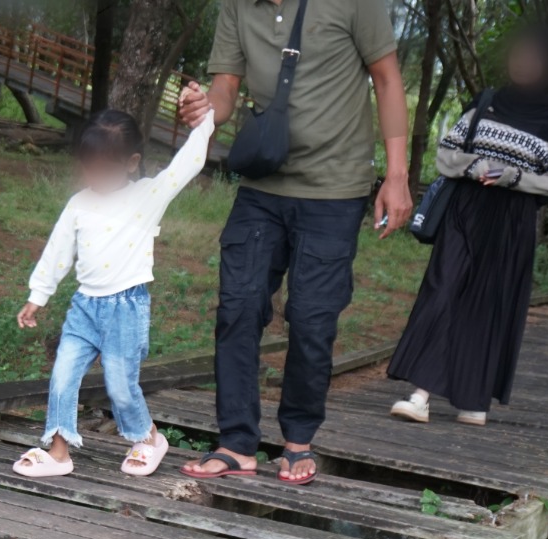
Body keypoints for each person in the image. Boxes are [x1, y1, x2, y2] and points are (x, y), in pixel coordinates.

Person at [177, 0, 413, 485]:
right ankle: (237, 441)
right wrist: (205, 110)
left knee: (311, 315)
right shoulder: (237, 7)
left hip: (335, 188)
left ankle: (298, 440)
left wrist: (396, 175)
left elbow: (387, 80)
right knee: (238, 306)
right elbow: (225, 88)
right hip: (264, 185)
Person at [12, 104, 216, 479]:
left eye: (104, 169)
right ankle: (58, 452)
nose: (94, 177)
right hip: (84, 307)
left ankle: (148, 438)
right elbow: (59, 250)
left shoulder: (147, 196)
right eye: (89, 168)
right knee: (62, 376)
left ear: (131, 162)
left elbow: (185, 165)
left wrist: (205, 123)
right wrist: (38, 295)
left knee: (121, 386)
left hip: (126, 307)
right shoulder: (80, 203)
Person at [387, 29, 548, 427]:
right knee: (443, 289)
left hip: (512, 221)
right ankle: (420, 394)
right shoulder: (486, 102)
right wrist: (472, 167)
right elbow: (446, 153)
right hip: (465, 211)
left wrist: (511, 176)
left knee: (490, 302)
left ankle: (472, 398)